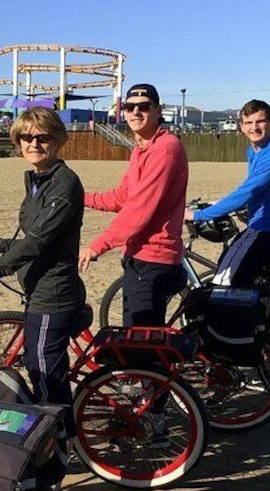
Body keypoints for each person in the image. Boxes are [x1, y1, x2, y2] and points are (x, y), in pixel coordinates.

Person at [0, 106, 85, 430]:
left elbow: (35, 244)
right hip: (39, 291)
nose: (33, 143)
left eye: (42, 137)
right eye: (26, 137)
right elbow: (34, 243)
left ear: (57, 139)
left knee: (46, 379)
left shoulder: (63, 185)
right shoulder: (39, 181)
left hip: (53, 296)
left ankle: (62, 443)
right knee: (43, 370)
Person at [79, 83, 188, 327]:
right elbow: (122, 196)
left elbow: (139, 210)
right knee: (143, 340)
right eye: (129, 107)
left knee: (139, 348)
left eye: (144, 107)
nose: (135, 112)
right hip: (140, 258)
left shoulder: (165, 148)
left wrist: (96, 246)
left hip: (153, 259)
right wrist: (79, 196)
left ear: (158, 110)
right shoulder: (141, 150)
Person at [186, 99, 270, 286]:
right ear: (242, 126)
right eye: (248, 122)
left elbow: (246, 192)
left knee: (223, 280)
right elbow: (258, 190)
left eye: (260, 121)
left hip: (268, 231)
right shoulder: (255, 151)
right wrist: (218, 203)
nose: (254, 127)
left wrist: (198, 215)